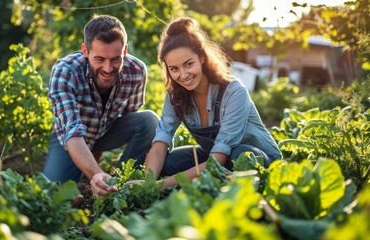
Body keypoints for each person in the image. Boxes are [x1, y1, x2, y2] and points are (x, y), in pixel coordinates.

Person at [145, 17, 282, 188]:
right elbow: (160, 144)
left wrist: (160, 185)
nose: (183, 75)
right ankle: (213, 182)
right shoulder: (175, 97)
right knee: (169, 162)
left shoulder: (234, 92)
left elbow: (218, 159)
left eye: (188, 64)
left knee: (240, 156)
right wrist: (147, 184)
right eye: (174, 69)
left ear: (202, 58)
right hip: (217, 157)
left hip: (258, 160)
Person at [43, 14, 159, 196]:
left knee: (149, 121)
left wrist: (98, 170)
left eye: (115, 59)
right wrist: (96, 173)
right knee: (54, 194)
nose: (107, 68)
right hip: (70, 140)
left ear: (125, 51)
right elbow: (72, 132)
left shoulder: (137, 71)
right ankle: (98, 179)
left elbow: (129, 118)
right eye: (100, 59)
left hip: (106, 132)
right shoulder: (65, 72)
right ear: (85, 51)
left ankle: (119, 185)